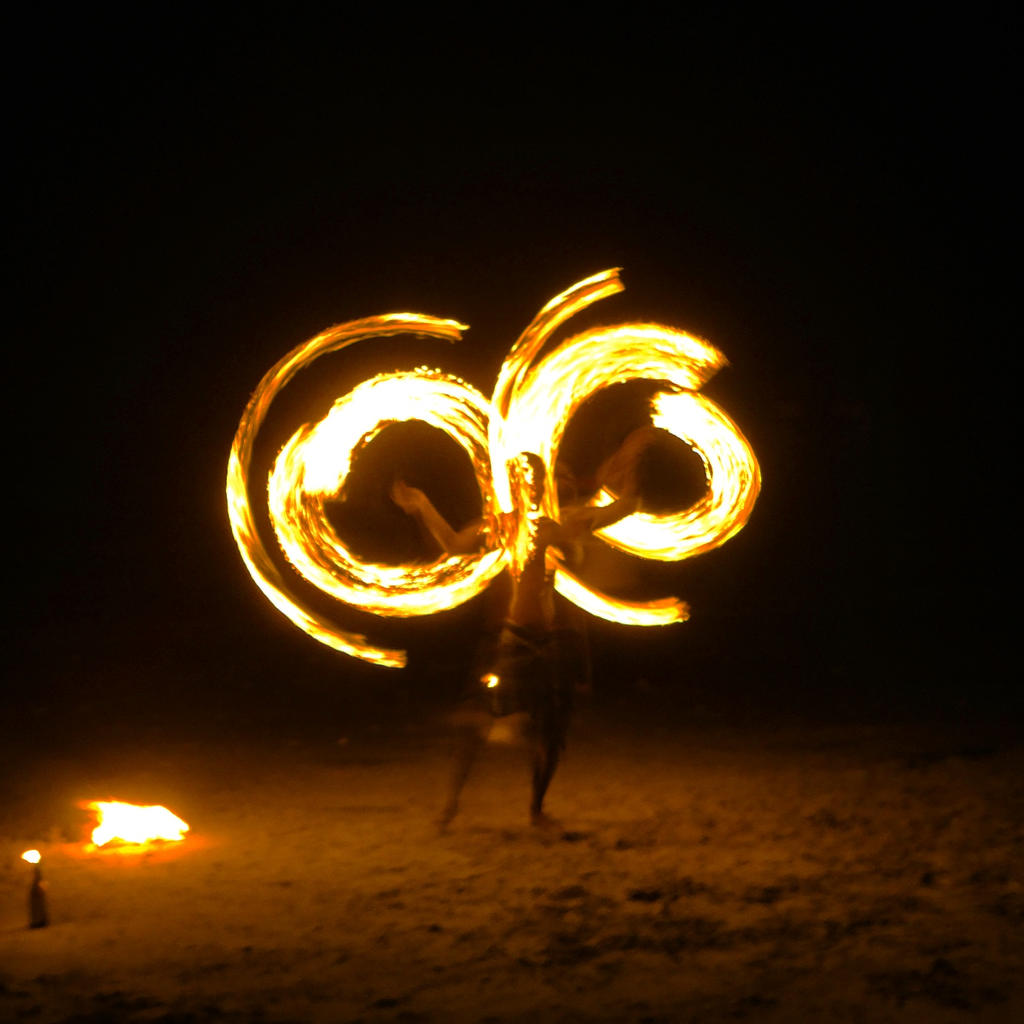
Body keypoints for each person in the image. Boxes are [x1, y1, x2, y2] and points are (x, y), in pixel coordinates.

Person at [391, 442, 643, 829]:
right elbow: (456, 545)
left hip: (554, 642)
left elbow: (626, 507)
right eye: (523, 479)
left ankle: (536, 808)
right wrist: (422, 505)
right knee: (477, 723)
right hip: (513, 639)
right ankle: (452, 805)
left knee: (553, 731)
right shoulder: (504, 526)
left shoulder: (565, 521)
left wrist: (631, 463)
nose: (532, 486)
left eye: (541, 480)